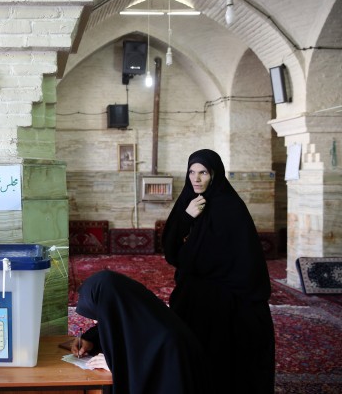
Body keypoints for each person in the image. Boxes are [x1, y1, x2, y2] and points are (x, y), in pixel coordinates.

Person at [162, 149, 275, 393]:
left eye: (203, 172)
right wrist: (186, 217)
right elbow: (171, 251)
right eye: (192, 172)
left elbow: (242, 258)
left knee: (221, 363)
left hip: (227, 295)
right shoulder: (188, 200)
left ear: (214, 175)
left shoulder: (230, 206)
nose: (196, 179)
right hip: (194, 291)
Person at [72, 270, 212, 394]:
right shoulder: (140, 315)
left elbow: (158, 380)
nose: (96, 323)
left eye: (99, 316)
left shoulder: (170, 341)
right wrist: (89, 339)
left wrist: (116, 366)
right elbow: (121, 329)